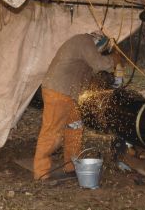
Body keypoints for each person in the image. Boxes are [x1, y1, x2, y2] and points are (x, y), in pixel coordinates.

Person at [33, 33, 120, 180]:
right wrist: (115, 59)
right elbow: (99, 64)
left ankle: (71, 167)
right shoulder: (84, 41)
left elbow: (88, 74)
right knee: (52, 131)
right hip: (58, 93)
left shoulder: (84, 49)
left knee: (75, 129)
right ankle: (41, 173)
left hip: (70, 95)